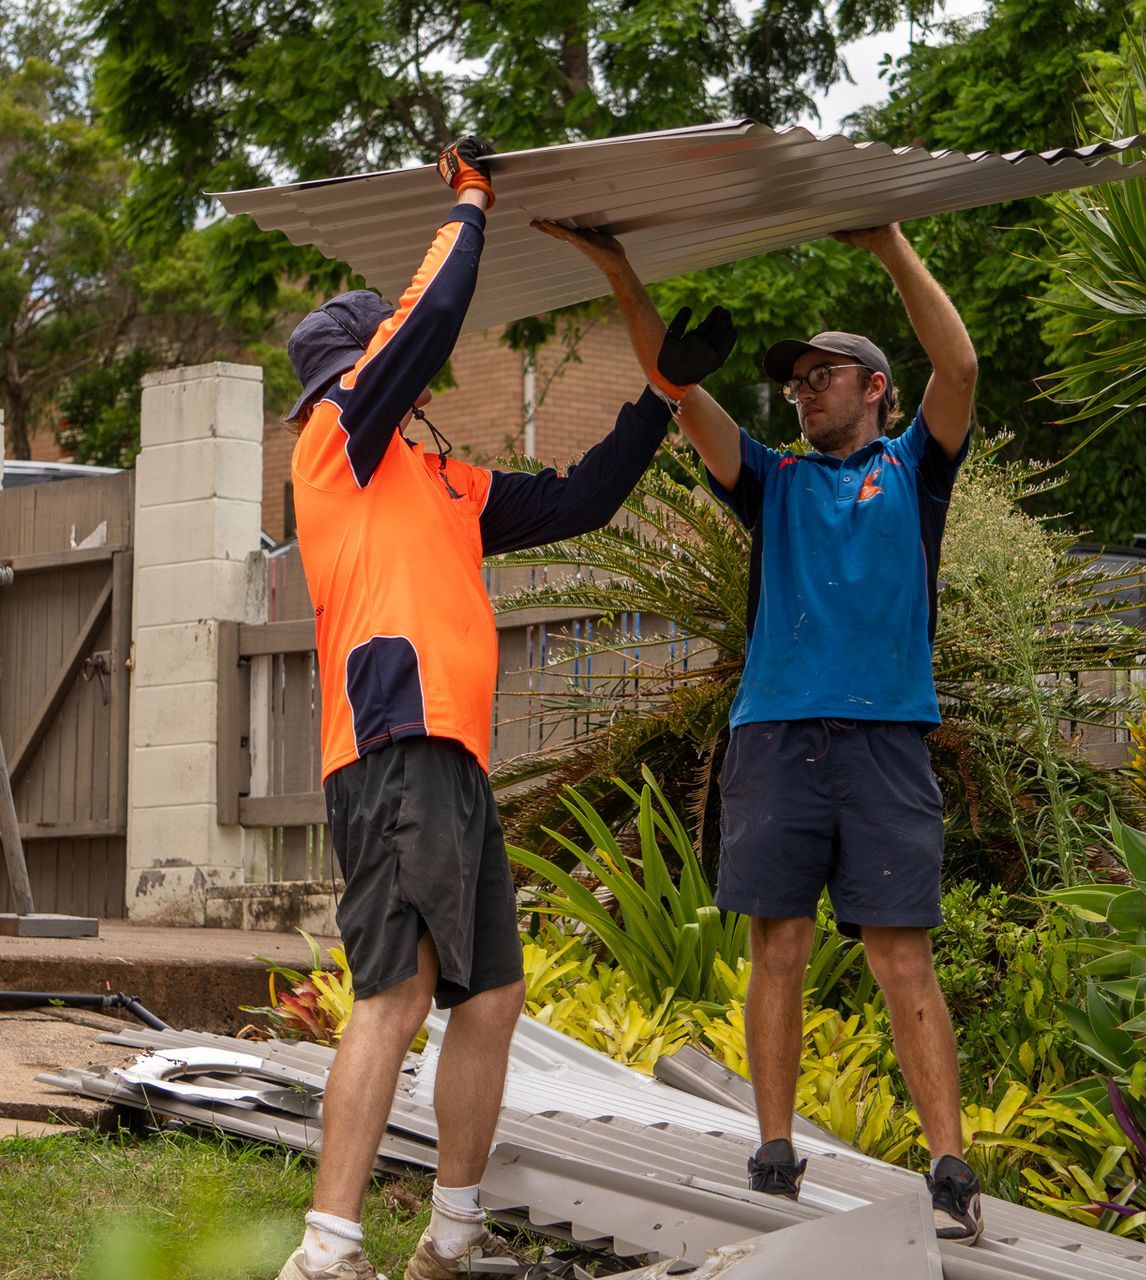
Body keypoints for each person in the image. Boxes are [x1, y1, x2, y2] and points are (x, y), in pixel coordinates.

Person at [278, 140, 735, 1280]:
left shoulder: (437, 479)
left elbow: (580, 498)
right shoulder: (337, 441)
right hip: (394, 741)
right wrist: (469, 205)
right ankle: (326, 1252)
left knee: (493, 996)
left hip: (452, 756)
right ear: (359, 367)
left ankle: (454, 1235)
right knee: (396, 990)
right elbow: (426, 320)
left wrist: (662, 397)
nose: (420, 371)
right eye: (390, 355)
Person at [536, 218, 984, 1243]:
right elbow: (678, 385)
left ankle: (951, 1172)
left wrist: (890, 245)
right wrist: (619, 266)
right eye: (796, 381)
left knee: (899, 954)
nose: (804, 388)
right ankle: (774, 1154)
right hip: (777, 738)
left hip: (885, 741)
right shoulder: (773, 481)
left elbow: (957, 361)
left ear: (876, 388)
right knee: (775, 942)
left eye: (825, 375)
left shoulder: (918, 470)